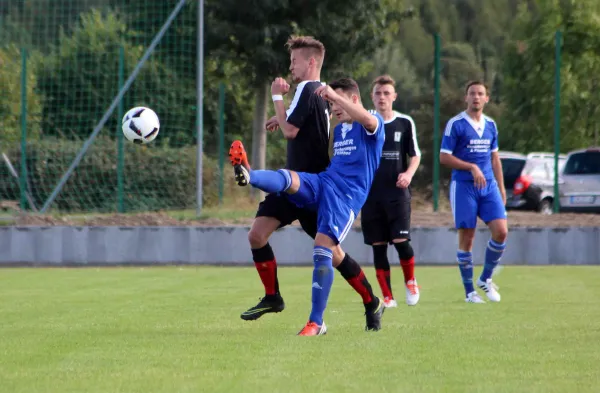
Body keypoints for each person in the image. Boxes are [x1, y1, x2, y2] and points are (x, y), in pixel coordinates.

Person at [240, 36, 383, 330]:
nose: (335, 110)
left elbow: (364, 120)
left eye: (294, 61)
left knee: (328, 253)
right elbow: (306, 121)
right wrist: (281, 117)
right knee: (265, 220)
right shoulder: (339, 126)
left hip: (340, 198)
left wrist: (329, 96)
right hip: (317, 183)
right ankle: (249, 174)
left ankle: (345, 311)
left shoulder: (371, 121)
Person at [440, 80, 508, 303]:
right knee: (467, 238)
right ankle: (470, 292)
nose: (476, 97)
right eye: (472, 93)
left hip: (488, 187)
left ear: (487, 98)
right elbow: (444, 157)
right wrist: (471, 166)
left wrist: (501, 186)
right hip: (464, 187)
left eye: (480, 94)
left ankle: (485, 278)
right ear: (466, 97)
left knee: (501, 231)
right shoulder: (456, 124)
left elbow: (495, 158)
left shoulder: (491, 125)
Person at [361, 75, 421, 308]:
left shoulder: (405, 123)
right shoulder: (365, 122)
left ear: (394, 96)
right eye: (378, 93)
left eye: (387, 93)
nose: (382, 97)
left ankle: (410, 282)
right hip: (371, 195)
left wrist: (408, 175)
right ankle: (387, 296)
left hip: (397, 195)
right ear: (372, 97)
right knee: (378, 246)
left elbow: (415, 155)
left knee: (401, 241)